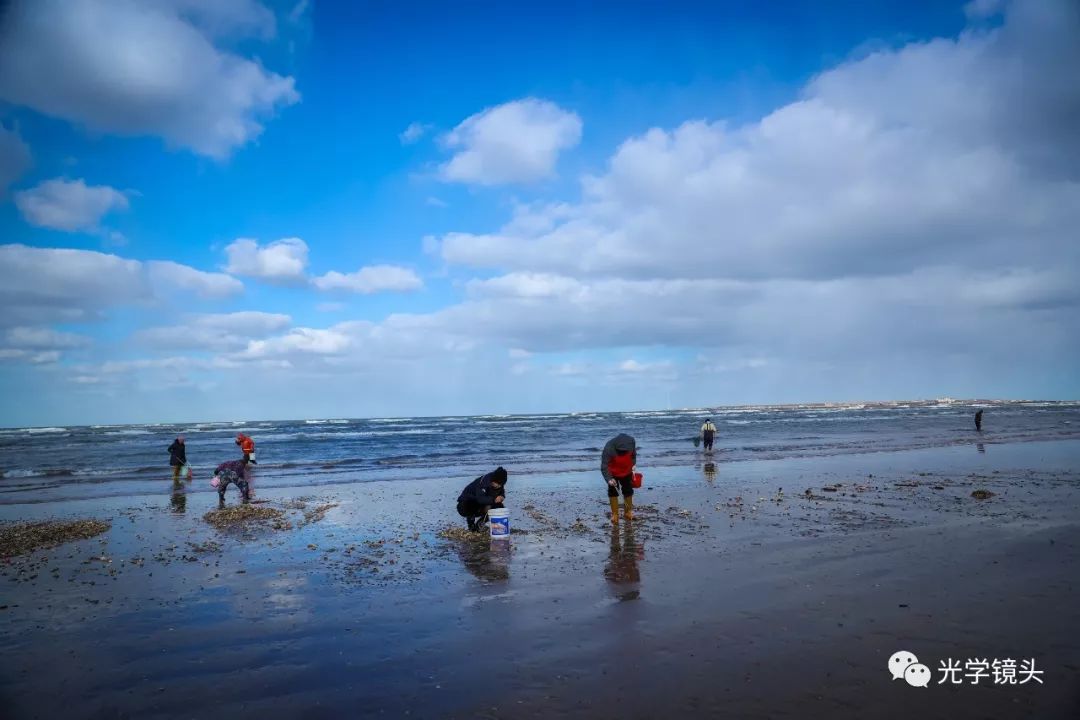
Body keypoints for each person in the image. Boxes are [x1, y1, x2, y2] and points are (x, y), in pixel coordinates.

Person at [457, 467, 508, 531]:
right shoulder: (484, 481)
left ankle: (480, 523)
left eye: (501, 485)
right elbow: (480, 499)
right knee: (471, 503)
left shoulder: (499, 482)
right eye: (498, 484)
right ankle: (471, 525)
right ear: (493, 480)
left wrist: (501, 496)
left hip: (480, 506)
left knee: (499, 506)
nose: (499, 486)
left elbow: (501, 493)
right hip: (464, 506)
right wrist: (494, 499)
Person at [601, 433, 636, 524]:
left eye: (625, 451)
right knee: (613, 492)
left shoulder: (632, 442)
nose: (623, 452)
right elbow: (604, 466)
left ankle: (628, 512)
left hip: (627, 470)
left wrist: (633, 465)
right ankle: (615, 514)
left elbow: (633, 455)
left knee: (628, 490)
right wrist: (609, 479)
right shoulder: (609, 447)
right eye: (621, 451)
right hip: (613, 473)